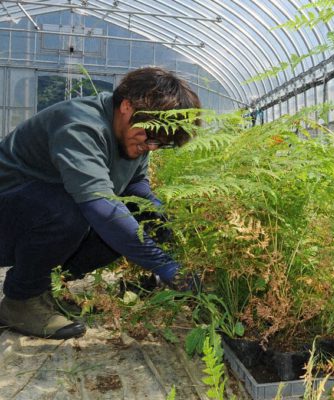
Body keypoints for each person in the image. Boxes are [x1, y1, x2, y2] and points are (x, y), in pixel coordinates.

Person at [0, 67, 201, 340]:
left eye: (162, 144)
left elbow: (134, 184)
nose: (152, 147)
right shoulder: (81, 125)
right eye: (151, 137)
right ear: (127, 106)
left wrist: (157, 215)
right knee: (78, 210)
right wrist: (164, 265)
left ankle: (45, 286)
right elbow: (100, 206)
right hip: (7, 215)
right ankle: (22, 300)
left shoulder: (133, 135)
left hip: (31, 219)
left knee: (133, 217)